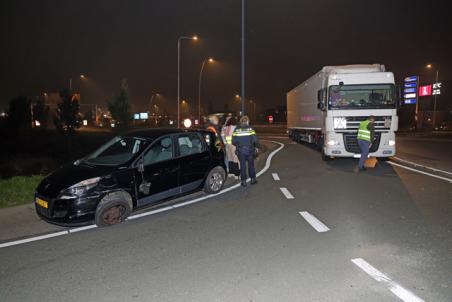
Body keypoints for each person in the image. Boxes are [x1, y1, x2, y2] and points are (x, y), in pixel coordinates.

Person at [232, 116, 260, 187]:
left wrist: (238, 145)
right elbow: (255, 140)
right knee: (251, 165)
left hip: (241, 150)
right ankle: (253, 179)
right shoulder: (250, 128)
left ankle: (243, 181)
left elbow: (233, 141)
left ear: (241, 121)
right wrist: (257, 147)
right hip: (250, 150)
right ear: (247, 121)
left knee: (242, 166)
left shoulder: (237, 129)